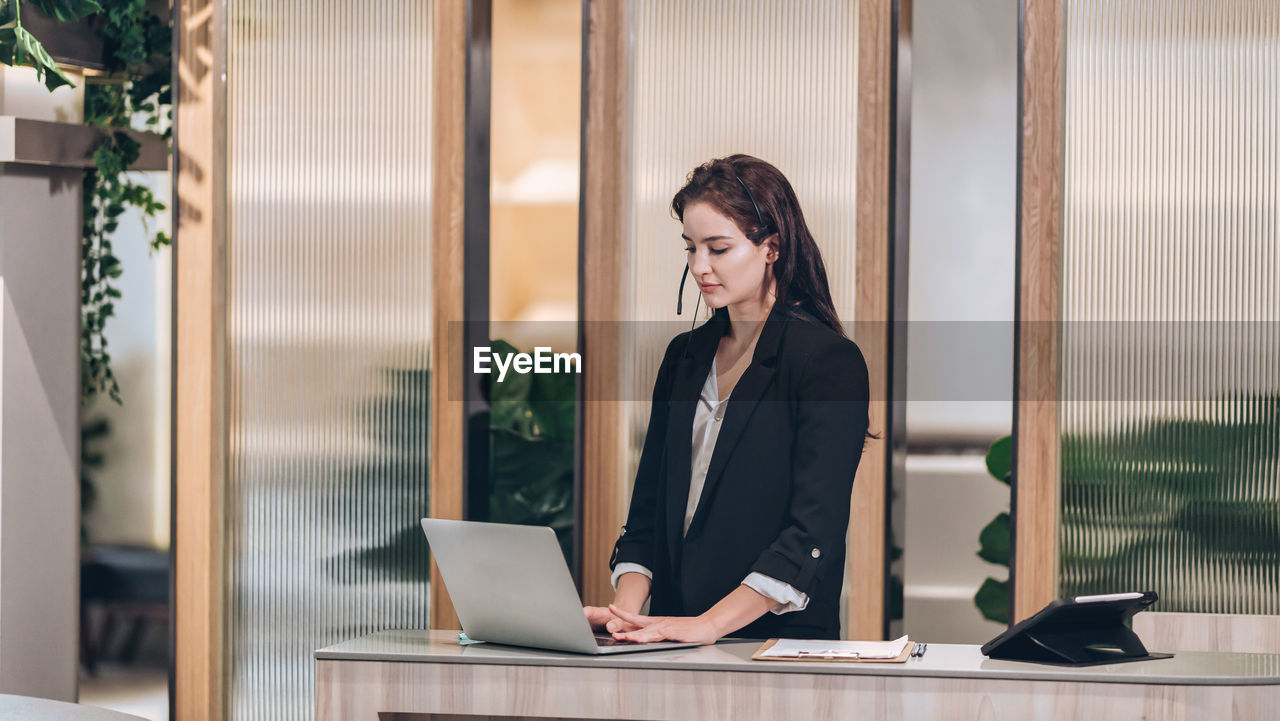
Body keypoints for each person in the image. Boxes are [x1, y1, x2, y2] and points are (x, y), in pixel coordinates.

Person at [583, 154, 872, 644]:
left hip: (774, 645)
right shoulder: (683, 357)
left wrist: (709, 626)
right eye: (691, 249)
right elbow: (648, 513)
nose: (700, 267)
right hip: (672, 636)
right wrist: (624, 616)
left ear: (771, 248)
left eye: (718, 248)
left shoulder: (828, 362)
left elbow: (811, 535)